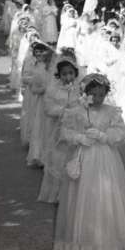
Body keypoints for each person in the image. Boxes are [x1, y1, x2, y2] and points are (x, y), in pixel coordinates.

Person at [52, 73, 125, 250]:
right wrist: (79, 137)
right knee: (84, 193)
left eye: (101, 95)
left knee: (107, 193)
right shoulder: (76, 111)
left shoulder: (111, 111)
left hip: (105, 158)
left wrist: (104, 136)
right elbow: (64, 132)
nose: (98, 98)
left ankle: (110, 239)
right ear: (85, 94)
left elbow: (121, 132)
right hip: (84, 156)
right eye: (93, 94)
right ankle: (83, 239)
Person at [37, 58, 81, 203]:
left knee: (75, 157)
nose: (68, 77)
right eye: (64, 74)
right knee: (58, 158)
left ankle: (74, 193)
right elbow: (48, 108)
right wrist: (63, 110)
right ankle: (57, 193)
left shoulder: (80, 89)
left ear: (75, 73)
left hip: (76, 128)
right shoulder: (53, 90)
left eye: (71, 73)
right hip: (58, 129)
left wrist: (78, 110)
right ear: (59, 75)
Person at [21, 43, 52, 152]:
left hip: (45, 96)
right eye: (37, 52)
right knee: (31, 115)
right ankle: (30, 139)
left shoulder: (48, 65)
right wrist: (34, 81)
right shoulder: (30, 62)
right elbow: (24, 78)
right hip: (32, 95)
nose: (39, 55)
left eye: (41, 52)